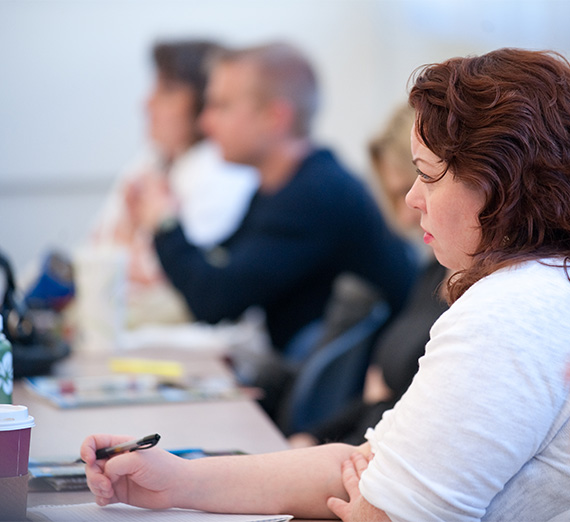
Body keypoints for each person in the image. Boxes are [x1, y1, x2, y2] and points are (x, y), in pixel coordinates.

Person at [82, 47, 570, 521]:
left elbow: (385, 510)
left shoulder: (511, 310)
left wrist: (371, 507)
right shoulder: (532, 289)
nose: (411, 197)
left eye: (427, 175)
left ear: (497, 184)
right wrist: (179, 482)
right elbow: (361, 465)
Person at [130, 42, 418, 351]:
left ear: (274, 117)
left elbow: (214, 300)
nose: (205, 122)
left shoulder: (313, 196)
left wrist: (165, 222)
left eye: (222, 106)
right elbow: (222, 264)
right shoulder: (287, 184)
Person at [287, 103, 449, 445]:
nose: (405, 216)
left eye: (420, 182)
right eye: (395, 195)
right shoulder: (432, 272)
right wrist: (313, 438)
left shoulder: (475, 299)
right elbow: (378, 404)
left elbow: (393, 409)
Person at [90, 40, 258, 327]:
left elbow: (175, 280)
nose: (146, 103)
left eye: (165, 92)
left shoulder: (223, 171)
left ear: (202, 103)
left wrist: (139, 237)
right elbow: (97, 254)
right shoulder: (150, 161)